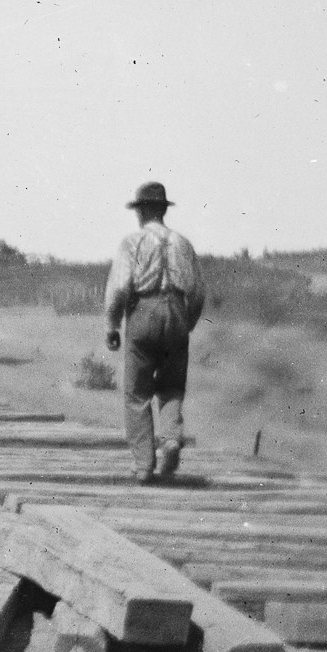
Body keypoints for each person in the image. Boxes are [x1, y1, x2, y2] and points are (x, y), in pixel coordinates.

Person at [104, 180, 206, 483]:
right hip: (176, 312)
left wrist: (112, 324)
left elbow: (120, 286)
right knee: (172, 388)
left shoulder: (132, 242)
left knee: (137, 394)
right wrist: (185, 323)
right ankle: (171, 438)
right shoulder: (182, 243)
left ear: (144, 210)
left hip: (143, 313)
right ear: (162, 209)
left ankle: (144, 465)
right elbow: (198, 292)